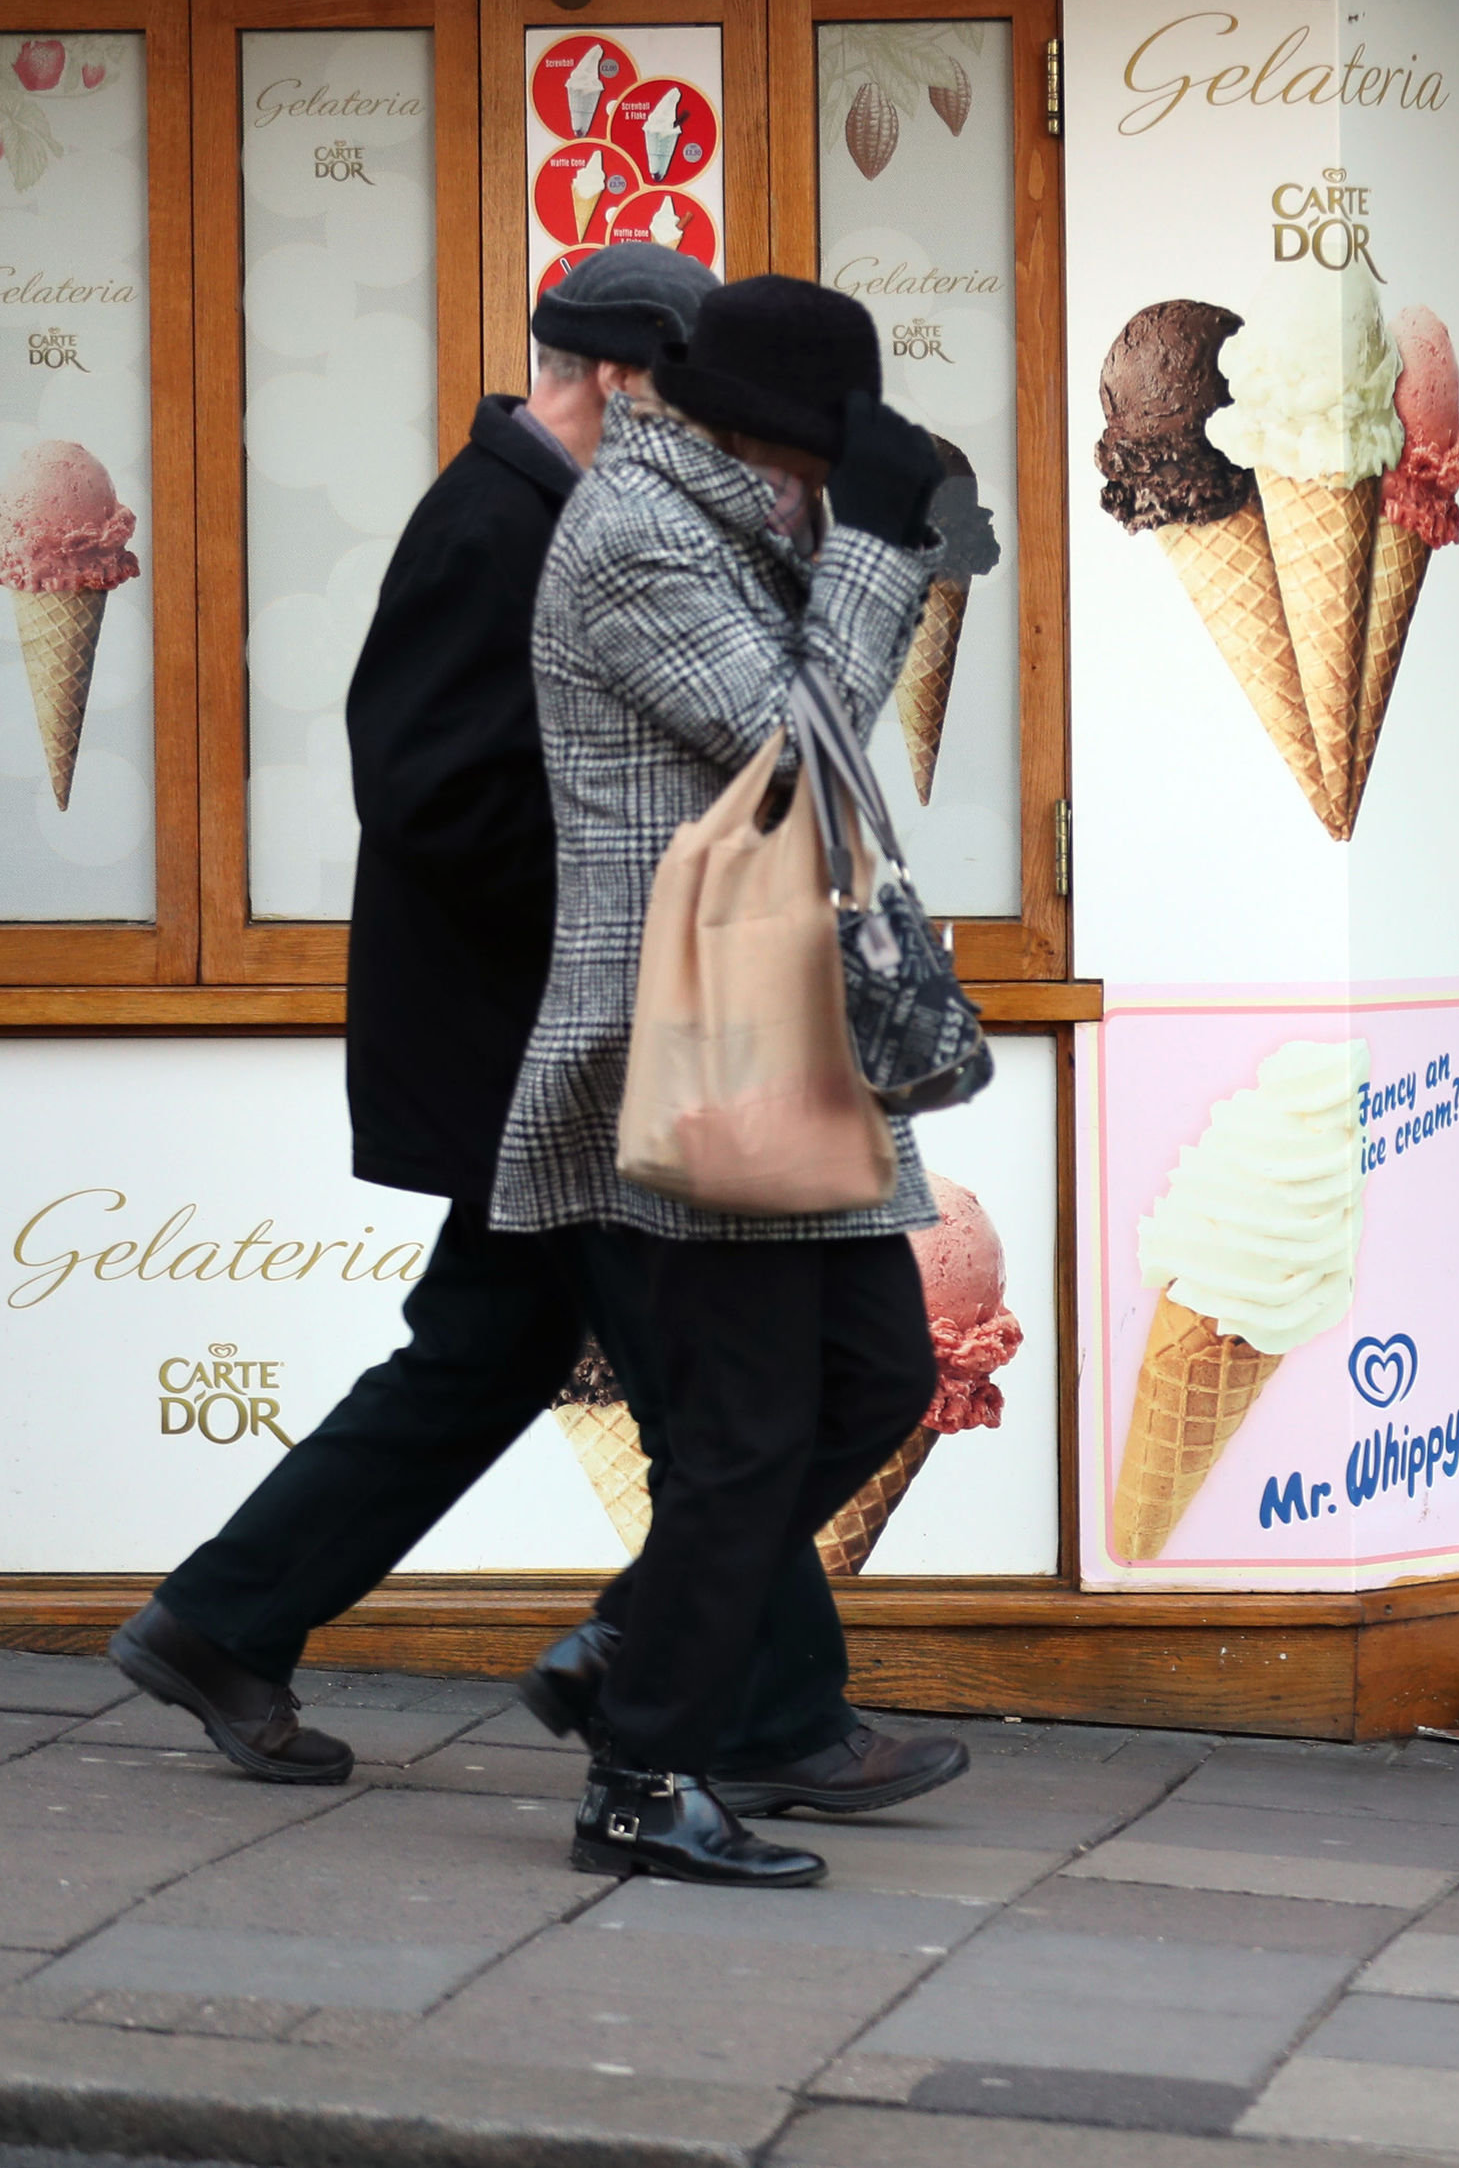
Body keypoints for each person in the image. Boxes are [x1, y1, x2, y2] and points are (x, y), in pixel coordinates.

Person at [107, 247, 967, 1840]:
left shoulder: (625, 512)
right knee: (722, 1405)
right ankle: (720, 1716)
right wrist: (616, 940)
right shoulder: (522, 515)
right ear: (630, 376)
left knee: (543, 1366)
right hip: (585, 1039)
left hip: (628, 1033)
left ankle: (238, 1623)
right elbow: (435, 789)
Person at [497, 275, 956, 1888]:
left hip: (781, 1025)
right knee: (751, 1428)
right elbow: (800, 745)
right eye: (827, 453)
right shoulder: (637, 532)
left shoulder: (732, 514)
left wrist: (864, 540)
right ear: (764, 434)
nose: (839, 481)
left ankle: (638, 1641)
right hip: (696, 1043)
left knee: (874, 1378)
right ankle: (639, 1774)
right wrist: (883, 553)